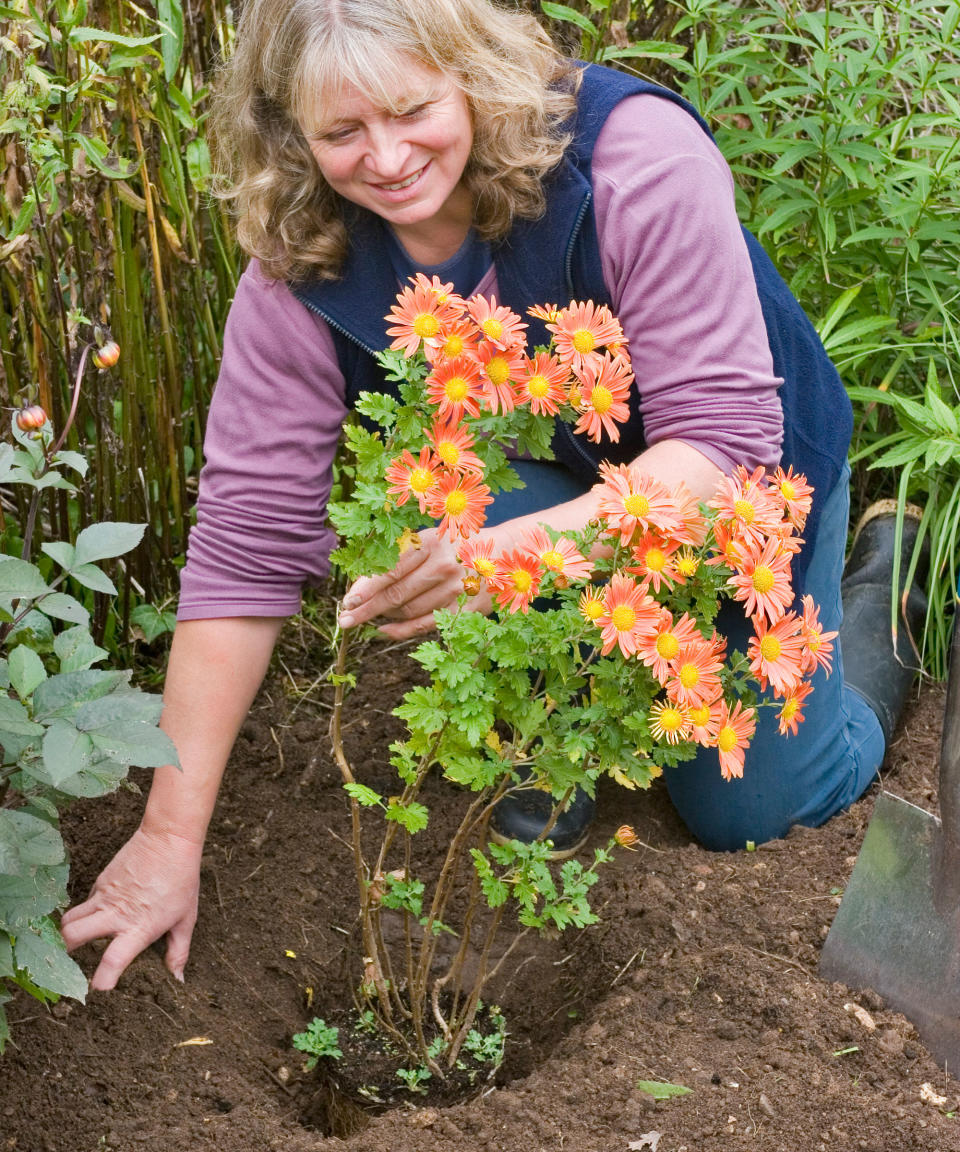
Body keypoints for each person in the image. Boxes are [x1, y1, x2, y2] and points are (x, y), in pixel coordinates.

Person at [60, 0, 923, 990]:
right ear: (289, 130)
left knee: (753, 810)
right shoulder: (304, 260)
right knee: (450, 513)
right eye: (342, 132)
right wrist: (169, 835)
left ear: (470, 72)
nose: (384, 158)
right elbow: (244, 552)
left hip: (736, 490)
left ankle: (879, 593)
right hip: (547, 491)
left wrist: (512, 562)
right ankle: (535, 806)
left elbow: (720, 451)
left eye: (411, 109)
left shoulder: (629, 160)